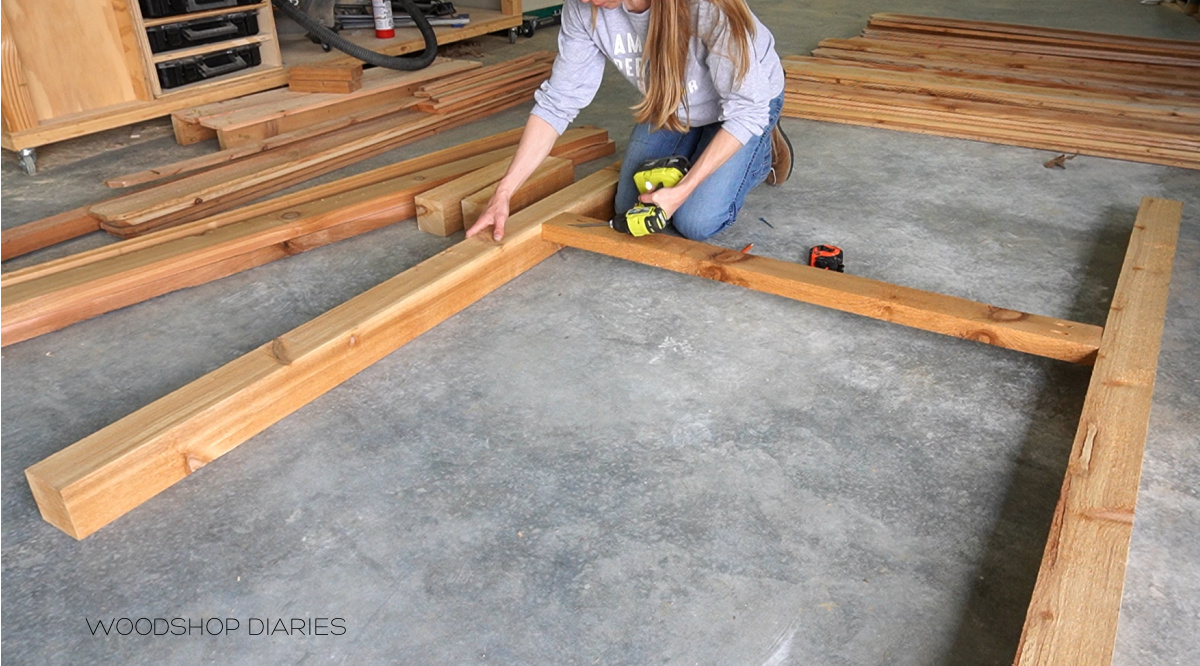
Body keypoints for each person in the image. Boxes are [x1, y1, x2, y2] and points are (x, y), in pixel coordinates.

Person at [465, 0, 792, 242]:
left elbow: (747, 108)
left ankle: (762, 150)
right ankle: (709, 148)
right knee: (629, 206)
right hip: (674, 106)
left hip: (745, 106)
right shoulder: (583, 8)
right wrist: (504, 192)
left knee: (696, 221)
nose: (590, 1)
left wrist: (684, 190)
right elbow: (557, 103)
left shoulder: (706, 7)